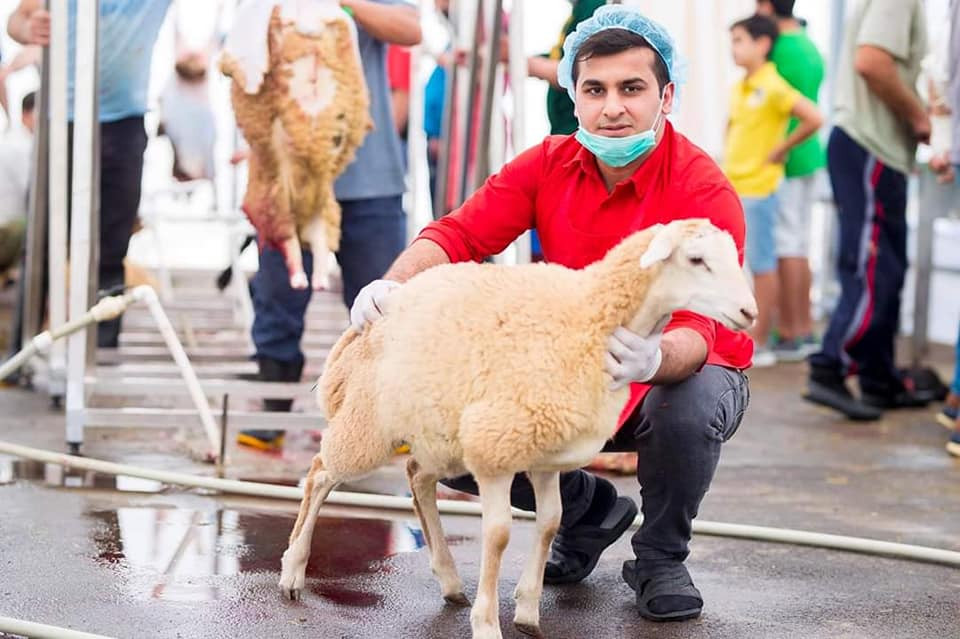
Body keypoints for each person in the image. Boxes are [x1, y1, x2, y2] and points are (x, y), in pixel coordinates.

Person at [350, 6, 753, 622]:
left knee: (686, 408)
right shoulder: (547, 163)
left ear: (666, 96)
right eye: (595, 89)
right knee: (452, 431)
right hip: (571, 372)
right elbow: (459, 233)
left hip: (677, 370)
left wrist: (655, 358)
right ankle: (588, 512)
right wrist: (393, 283)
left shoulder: (701, 189)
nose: (612, 107)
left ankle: (661, 556)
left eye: (632, 88)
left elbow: (706, 328)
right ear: (574, 94)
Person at [237, 0, 422, 452]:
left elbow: (411, 29)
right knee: (277, 294)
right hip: (290, 178)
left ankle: (385, 418)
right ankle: (273, 411)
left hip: (371, 175)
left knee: (383, 301)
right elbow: (242, 64)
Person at [7, 0, 173, 348]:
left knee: (113, 241)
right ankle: (24, 347)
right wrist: (29, 27)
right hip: (61, 119)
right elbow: (17, 21)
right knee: (43, 239)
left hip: (125, 121)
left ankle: (104, 345)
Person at [804, 0, 931, 420]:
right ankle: (830, 366)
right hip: (868, 143)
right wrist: (919, 117)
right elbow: (872, 62)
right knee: (871, 267)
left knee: (888, 268)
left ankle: (880, 379)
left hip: (878, 149)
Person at [723, 14, 822, 366]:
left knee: (763, 264)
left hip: (761, 189)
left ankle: (760, 340)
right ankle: (751, 334)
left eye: (739, 41)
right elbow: (731, 130)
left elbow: (813, 117)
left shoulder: (772, 83)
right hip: (736, 186)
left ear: (762, 45)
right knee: (745, 265)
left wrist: (782, 149)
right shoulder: (740, 86)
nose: (733, 49)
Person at [756, 0, 825, 361]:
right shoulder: (808, 43)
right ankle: (802, 329)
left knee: (785, 244)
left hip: (788, 156)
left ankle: (788, 331)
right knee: (798, 242)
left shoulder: (778, 50)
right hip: (811, 154)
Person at [0, 91, 35, 281]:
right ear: (26, 116)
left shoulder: (12, 141)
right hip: (7, 232)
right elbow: (34, 195)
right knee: (40, 226)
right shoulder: (22, 146)